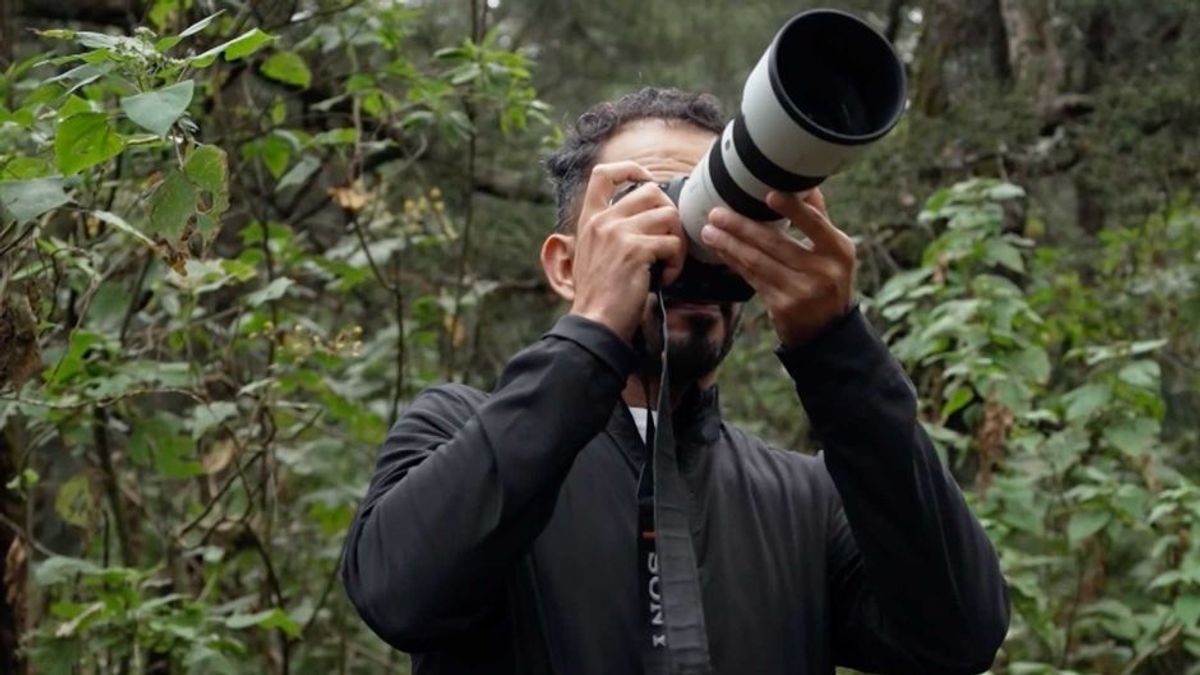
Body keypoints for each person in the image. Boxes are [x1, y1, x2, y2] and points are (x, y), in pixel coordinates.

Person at [341, 87, 1010, 675]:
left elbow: (957, 636)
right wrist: (593, 330)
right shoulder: (452, 432)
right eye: (648, 210)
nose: (685, 244)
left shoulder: (808, 498)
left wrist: (839, 347)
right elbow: (399, 593)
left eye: (715, 213)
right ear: (567, 266)